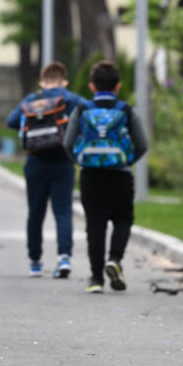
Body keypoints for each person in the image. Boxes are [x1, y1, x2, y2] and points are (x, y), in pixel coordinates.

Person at [63, 61, 148, 293]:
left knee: (95, 226)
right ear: (118, 86)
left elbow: (68, 143)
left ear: (92, 86)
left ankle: (96, 278)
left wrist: (81, 161)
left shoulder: (82, 110)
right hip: (120, 176)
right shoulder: (127, 111)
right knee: (122, 220)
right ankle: (115, 259)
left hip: (91, 176)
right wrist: (126, 161)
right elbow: (142, 143)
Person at [6, 62, 88, 278]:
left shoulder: (33, 100)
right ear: (64, 81)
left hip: (35, 162)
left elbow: (11, 121)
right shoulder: (72, 100)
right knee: (63, 211)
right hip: (63, 161)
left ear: (42, 82)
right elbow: (91, 112)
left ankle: (35, 261)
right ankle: (64, 258)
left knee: (35, 212)